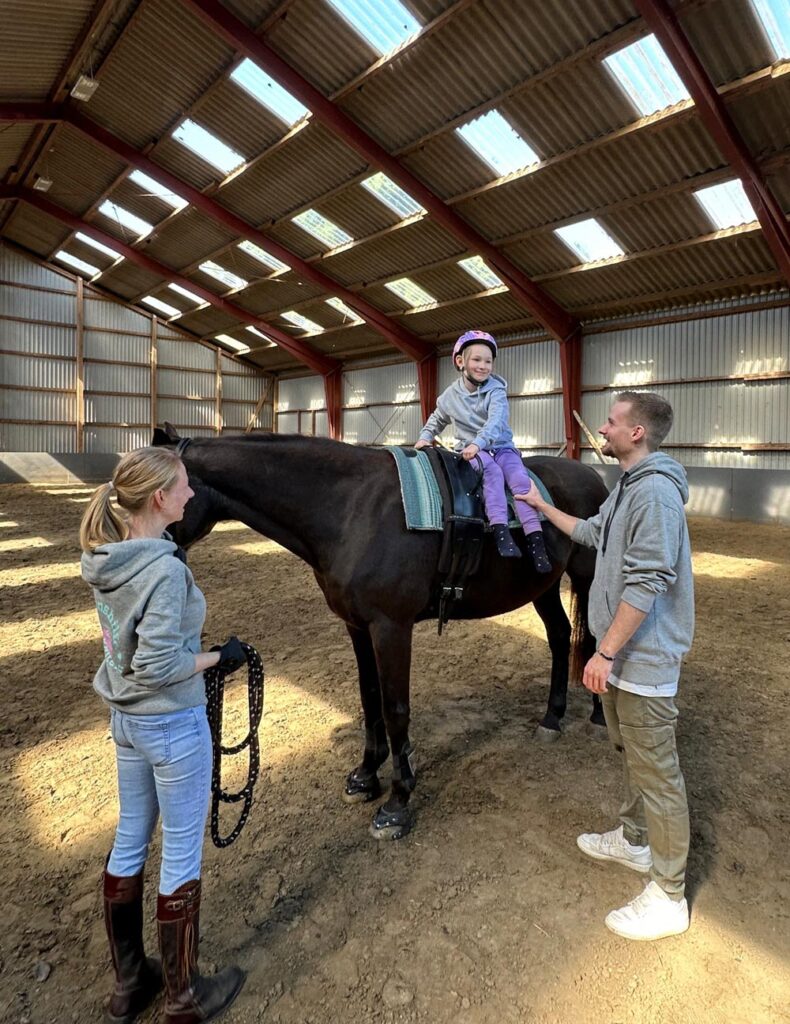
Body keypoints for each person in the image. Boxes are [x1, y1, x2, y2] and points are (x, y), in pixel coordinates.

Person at [517, 392, 694, 940]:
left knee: (659, 774)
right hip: (624, 657)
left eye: (612, 421)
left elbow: (649, 580)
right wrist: (542, 507)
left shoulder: (657, 495)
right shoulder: (628, 488)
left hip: (642, 656)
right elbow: (594, 535)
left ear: (636, 432)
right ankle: (635, 840)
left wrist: (605, 650)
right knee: (632, 754)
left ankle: (669, 896)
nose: (602, 427)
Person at [80, 446, 248, 1024]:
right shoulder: (167, 570)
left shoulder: (106, 557)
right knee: (179, 851)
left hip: (125, 720)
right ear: (159, 499)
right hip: (170, 722)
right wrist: (216, 658)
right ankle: (183, 996)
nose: (192, 495)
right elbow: (157, 665)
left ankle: (131, 983)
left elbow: (127, 655)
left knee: (130, 839)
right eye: (182, 487)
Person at [415, 329, 551, 573]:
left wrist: (480, 442)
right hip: (472, 451)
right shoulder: (449, 396)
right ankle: (501, 532)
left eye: (488, 361)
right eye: (477, 360)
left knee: (520, 481)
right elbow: (437, 419)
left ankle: (535, 541)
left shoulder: (496, 390)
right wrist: (424, 438)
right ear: (461, 362)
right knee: (491, 473)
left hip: (500, 447)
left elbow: (496, 420)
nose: (483, 366)